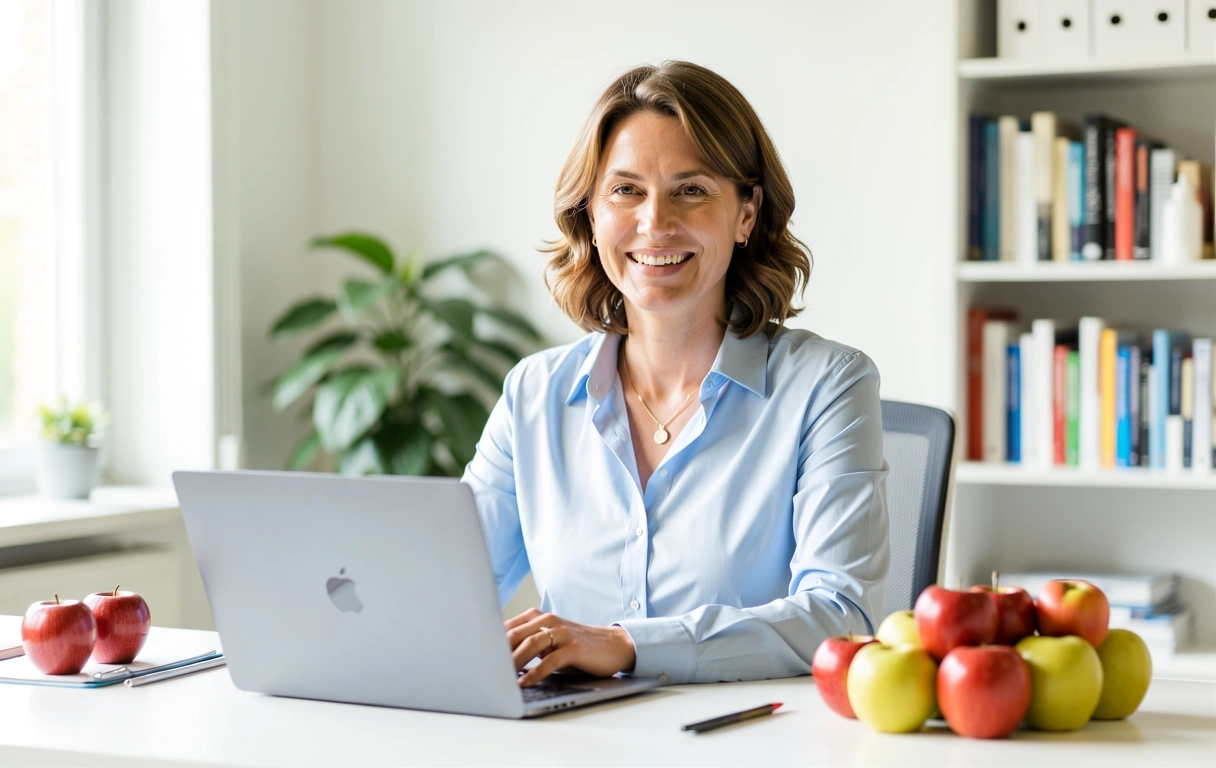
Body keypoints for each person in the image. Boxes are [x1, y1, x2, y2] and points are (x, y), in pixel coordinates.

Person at [462, 60, 888, 687]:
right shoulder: (535, 394)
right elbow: (447, 586)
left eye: (691, 190)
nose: (654, 222)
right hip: (570, 741)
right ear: (591, 214)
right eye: (625, 190)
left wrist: (627, 645)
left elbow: (838, 617)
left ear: (746, 214)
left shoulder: (828, 386)